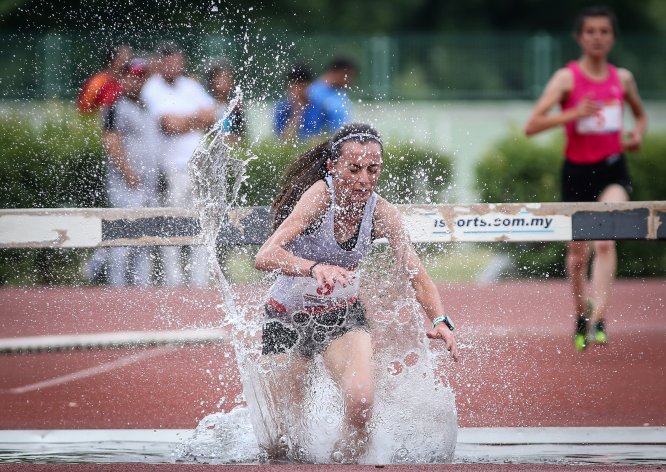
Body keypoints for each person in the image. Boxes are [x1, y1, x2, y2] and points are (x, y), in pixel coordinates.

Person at [254, 123, 458, 462]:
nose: (364, 179)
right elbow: (265, 256)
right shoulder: (320, 196)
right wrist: (313, 267)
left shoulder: (382, 213)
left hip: (341, 317)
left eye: (373, 170)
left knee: (361, 404)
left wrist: (439, 319)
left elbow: (416, 274)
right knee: (282, 438)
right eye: (354, 169)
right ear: (334, 167)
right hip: (287, 316)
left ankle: (344, 463)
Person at [524, 6, 647, 351]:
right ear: (580, 37)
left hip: (613, 169)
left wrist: (636, 133)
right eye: (590, 31)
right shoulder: (567, 79)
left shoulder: (622, 79)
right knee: (577, 256)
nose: (597, 37)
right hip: (577, 173)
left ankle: (600, 318)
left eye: (604, 31)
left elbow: (639, 115)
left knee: (606, 238)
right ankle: (581, 313)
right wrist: (573, 113)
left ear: (613, 37)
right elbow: (532, 125)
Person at [141, 43, 218, 287]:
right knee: (172, 223)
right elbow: (168, 124)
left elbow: (213, 115)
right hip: (171, 167)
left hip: (199, 166)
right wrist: (195, 120)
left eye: (178, 61)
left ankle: (199, 281)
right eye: (170, 62)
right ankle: (172, 281)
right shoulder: (152, 87)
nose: (175, 66)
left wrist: (185, 122)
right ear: (160, 62)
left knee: (202, 223)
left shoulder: (190, 85)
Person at [95, 58, 161, 286]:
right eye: (133, 75)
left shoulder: (147, 105)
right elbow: (111, 140)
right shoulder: (115, 105)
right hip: (126, 183)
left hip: (148, 183)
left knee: (144, 239)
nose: (137, 80)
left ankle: (140, 291)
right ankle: (117, 289)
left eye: (141, 75)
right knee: (123, 237)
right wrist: (127, 172)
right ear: (123, 78)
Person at [305, 57, 357, 135]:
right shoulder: (313, 92)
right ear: (336, 72)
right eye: (347, 75)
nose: (349, 80)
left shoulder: (341, 93)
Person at [77, 44, 132, 114]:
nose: (127, 63)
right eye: (122, 59)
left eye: (129, 59)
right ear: (112, 60)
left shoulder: (131, 82)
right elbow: (83, 108)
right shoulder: (98, 82)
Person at [205, 60, 247, 144]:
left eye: (227, 77)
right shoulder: (205, 105)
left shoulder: (235, 107)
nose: (223, 81)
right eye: (219, 77)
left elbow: (241, 135)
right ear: (211, 81)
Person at [273, 64, 318, 140]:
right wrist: (298, 111)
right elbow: (283, 140)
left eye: (302, 86)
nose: (299, 90)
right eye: (295, 85)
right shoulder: (282, 109)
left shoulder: (318, 108)